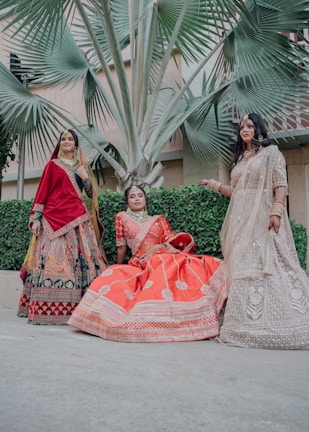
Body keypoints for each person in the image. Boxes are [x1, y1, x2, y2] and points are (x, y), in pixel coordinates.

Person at [198, 113, 309, 349]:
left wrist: (276, 212)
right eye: (241, 127)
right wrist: (213, 183)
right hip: (241, 218)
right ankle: (240, 324)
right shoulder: (239, 159)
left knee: (270, 261)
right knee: (242, 264)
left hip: (262, 216)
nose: (244, 129)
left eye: (249, 126)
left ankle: (284, 320)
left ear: (258, 129)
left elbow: (280, 186)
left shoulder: (271, 153)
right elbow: (236, 191)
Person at [68, 185, 227, 342]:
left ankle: (196, 311)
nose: (137, 199)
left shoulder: (159, 219)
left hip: (163, 254)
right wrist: (118, 265)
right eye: (132, 196)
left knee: (189, 263)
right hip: (141, 260)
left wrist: (161, 247)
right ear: (127, 201)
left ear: (145, 199)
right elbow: (121, 246)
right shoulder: (121, 217)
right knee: (148, 267)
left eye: (140, 195)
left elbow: (169, 240)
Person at [17, 129, 107, 325]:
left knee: (84, 262)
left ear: (75, 143)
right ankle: (49, 309)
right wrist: (37, 218)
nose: (66, 142)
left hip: (79, 219)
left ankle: (82, 309)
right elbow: (43, 192)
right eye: (63, 139)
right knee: (52, 262)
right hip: (54, 219)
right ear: (59, 143)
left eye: (70, 139)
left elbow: (91, 195)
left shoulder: (82, 166)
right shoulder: (52, 166)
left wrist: (85, 178)